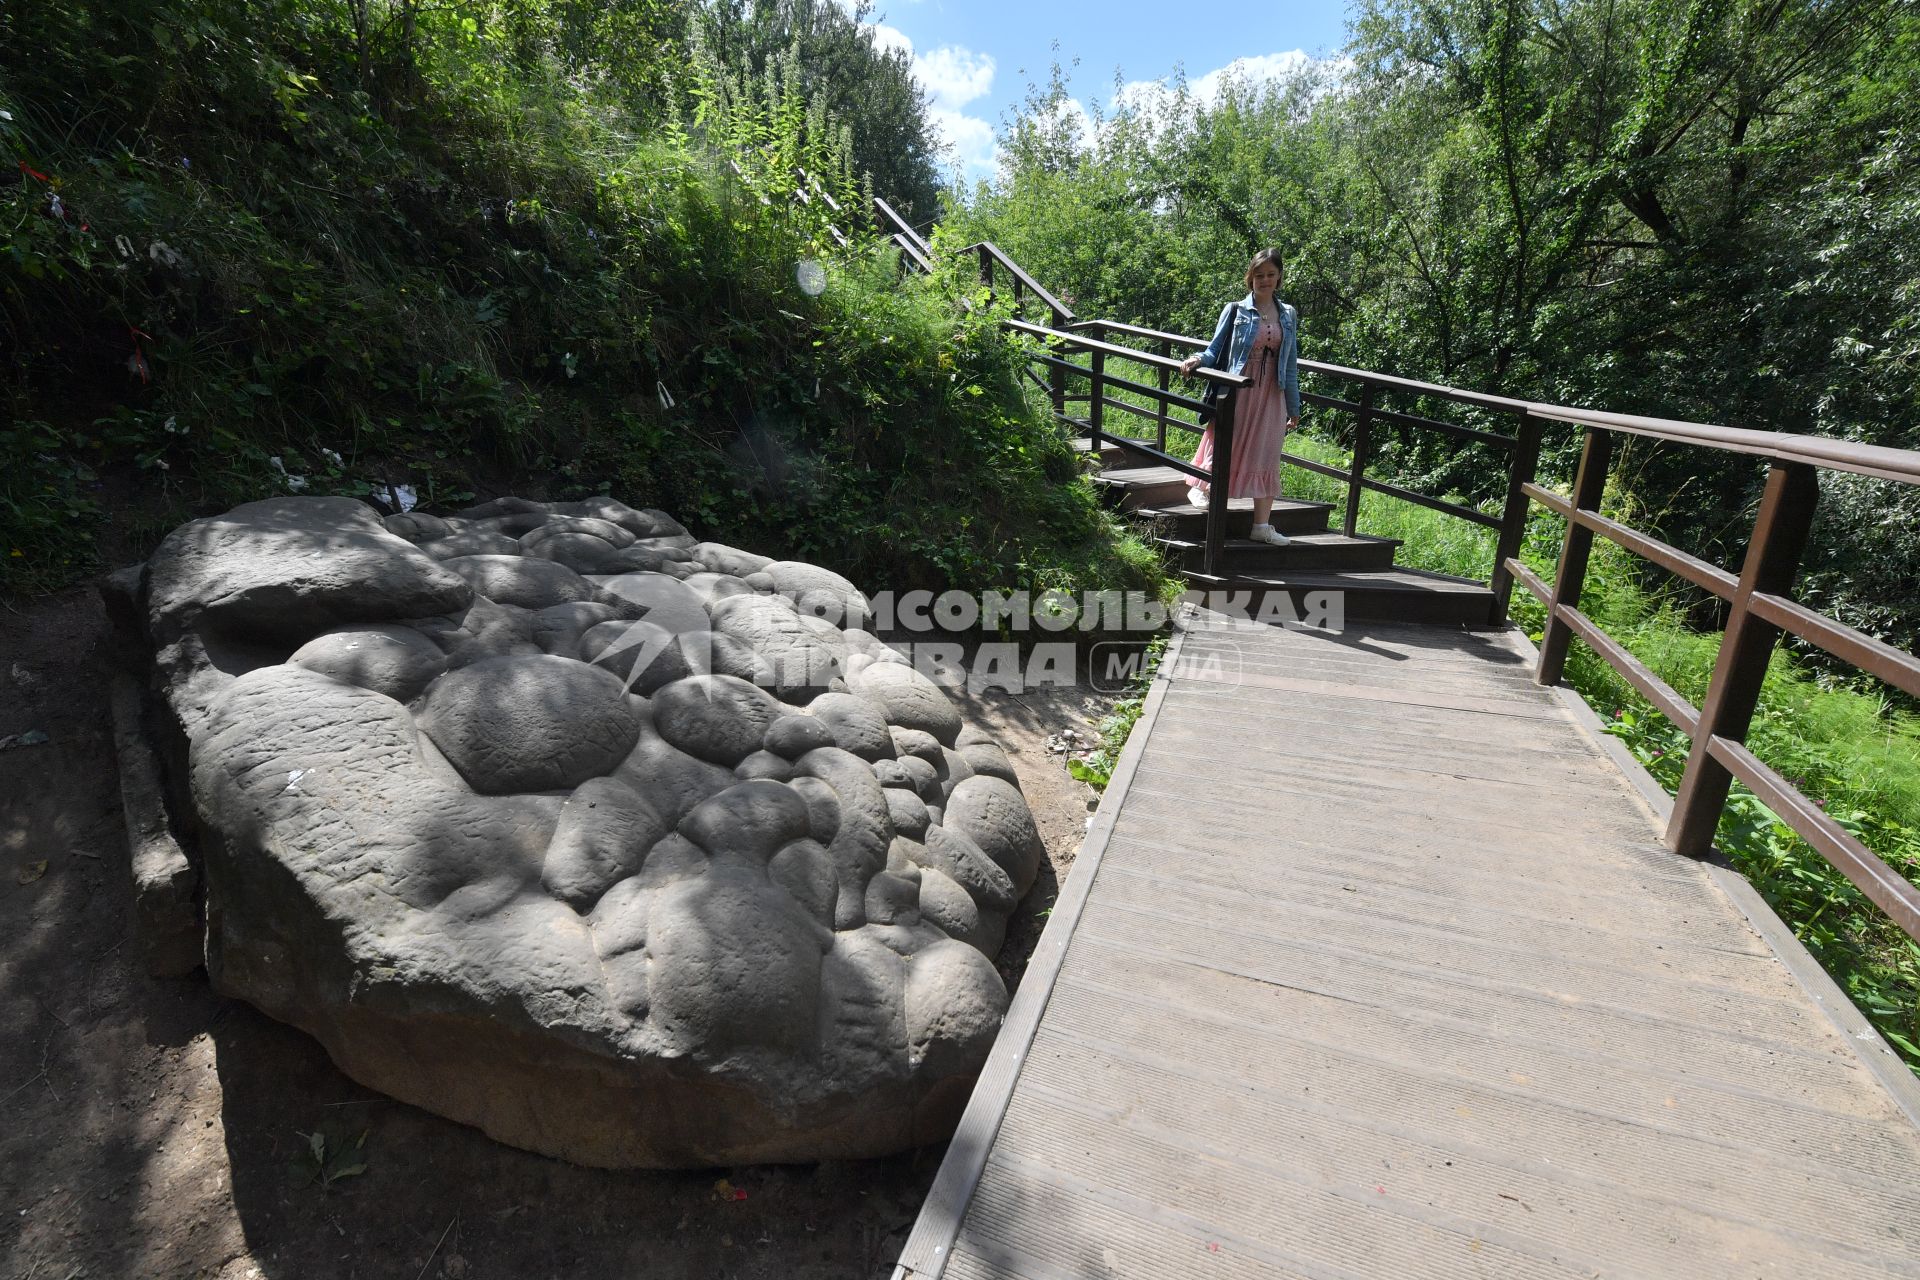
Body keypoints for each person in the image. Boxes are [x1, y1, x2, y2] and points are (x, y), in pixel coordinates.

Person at [1178, 248, 1301, 546]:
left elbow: (1291, 362)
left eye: (1271, 274)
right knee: (1225, 442)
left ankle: (1261, 526)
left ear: (1279, 277)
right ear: (1250, 278)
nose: (1265, 280)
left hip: (1272, 393)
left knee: (1267, 453)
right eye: (1259, 275)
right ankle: (1201, 486)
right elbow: (1214, 348)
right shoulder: (1235, 310)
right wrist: (1197, 359)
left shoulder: (1288, 314)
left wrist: (1294, 407)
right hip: (1238, 388)